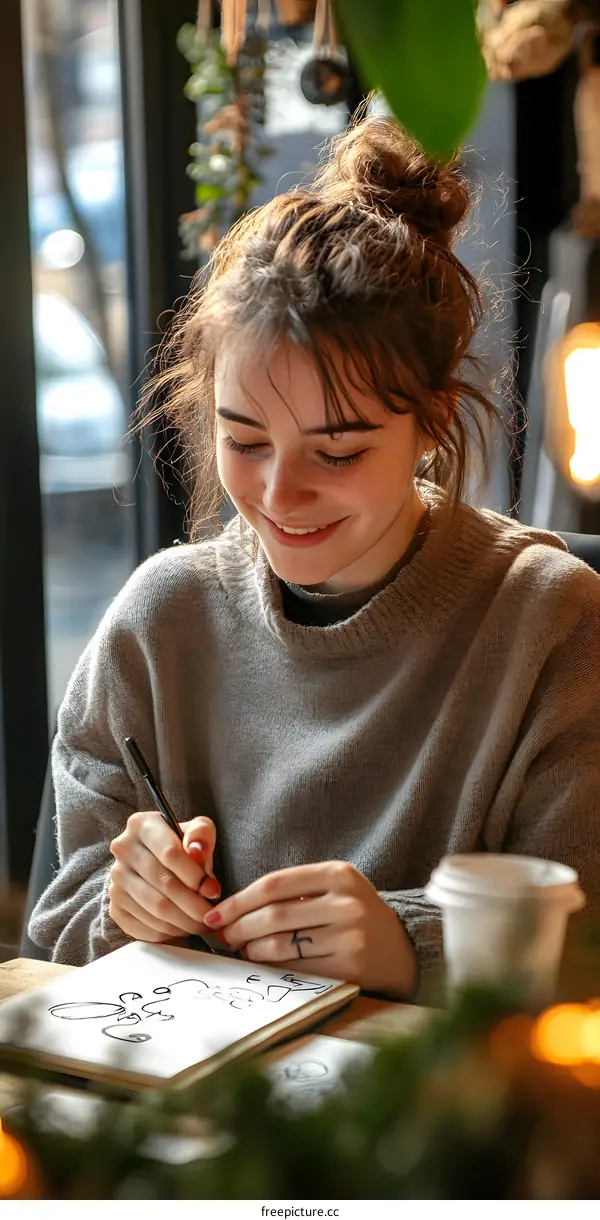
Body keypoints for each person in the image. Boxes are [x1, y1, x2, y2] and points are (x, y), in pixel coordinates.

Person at [28, 114, 600, 1001]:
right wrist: (125, 903)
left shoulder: (549, 623)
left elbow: (586, 947)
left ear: (433, 422)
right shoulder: (159, 622)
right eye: (244, 440)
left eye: (338, 453)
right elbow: (55, 932)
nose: (278, 497)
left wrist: (414, 947)